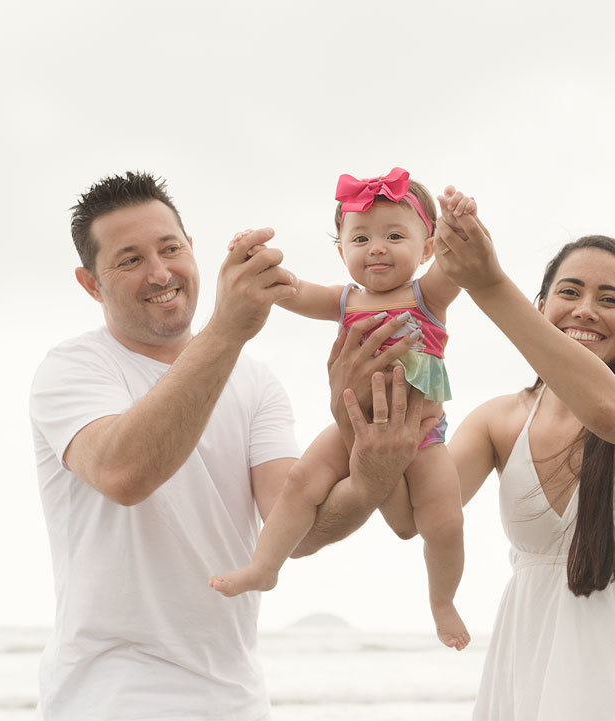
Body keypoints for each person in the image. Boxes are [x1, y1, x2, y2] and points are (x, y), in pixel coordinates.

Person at [29, 171, 432, 720]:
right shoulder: (73, 368)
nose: (160, 272)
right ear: (91, 283)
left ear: (192, 249)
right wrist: (227, 328)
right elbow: (126, 474)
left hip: (235, 698)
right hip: (108, 698)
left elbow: (297, 530)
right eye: (129, 260)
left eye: (170, 249)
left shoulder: (257, 382)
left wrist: (370, 473)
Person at [431, 208, 615, 719]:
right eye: (570, 292)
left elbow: (608, 412)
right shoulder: (499, 419)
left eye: (610, 299)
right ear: (540, 306)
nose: (586, 310)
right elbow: (413, 514)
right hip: (524, 679)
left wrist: (488, 285)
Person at [208, 168, 476, 651]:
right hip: (353, 421)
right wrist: (254, 260)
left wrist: (460, 222)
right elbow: (290, 289)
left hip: (422, 433)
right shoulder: (345, 299)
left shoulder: (428, 295)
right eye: (361, 238)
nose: (377, 248)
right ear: (341, 252)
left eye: (395, 236)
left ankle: (442, 602)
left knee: (446, 522)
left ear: (427, 248)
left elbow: (460, 262)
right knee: (299, 481)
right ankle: (264, 566)